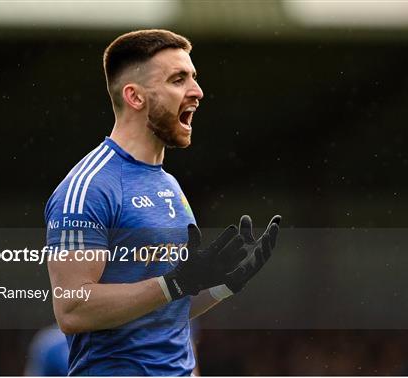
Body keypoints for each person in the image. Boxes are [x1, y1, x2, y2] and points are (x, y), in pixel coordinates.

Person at [44, 29, 280, 376]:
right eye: (178, 79)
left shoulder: (168, 184)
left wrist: (221, 285)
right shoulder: (90, 186)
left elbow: (165, 306)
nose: (197, 92)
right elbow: (73, 309)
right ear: (135, 97)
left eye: (194, 78)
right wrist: (173, 284)